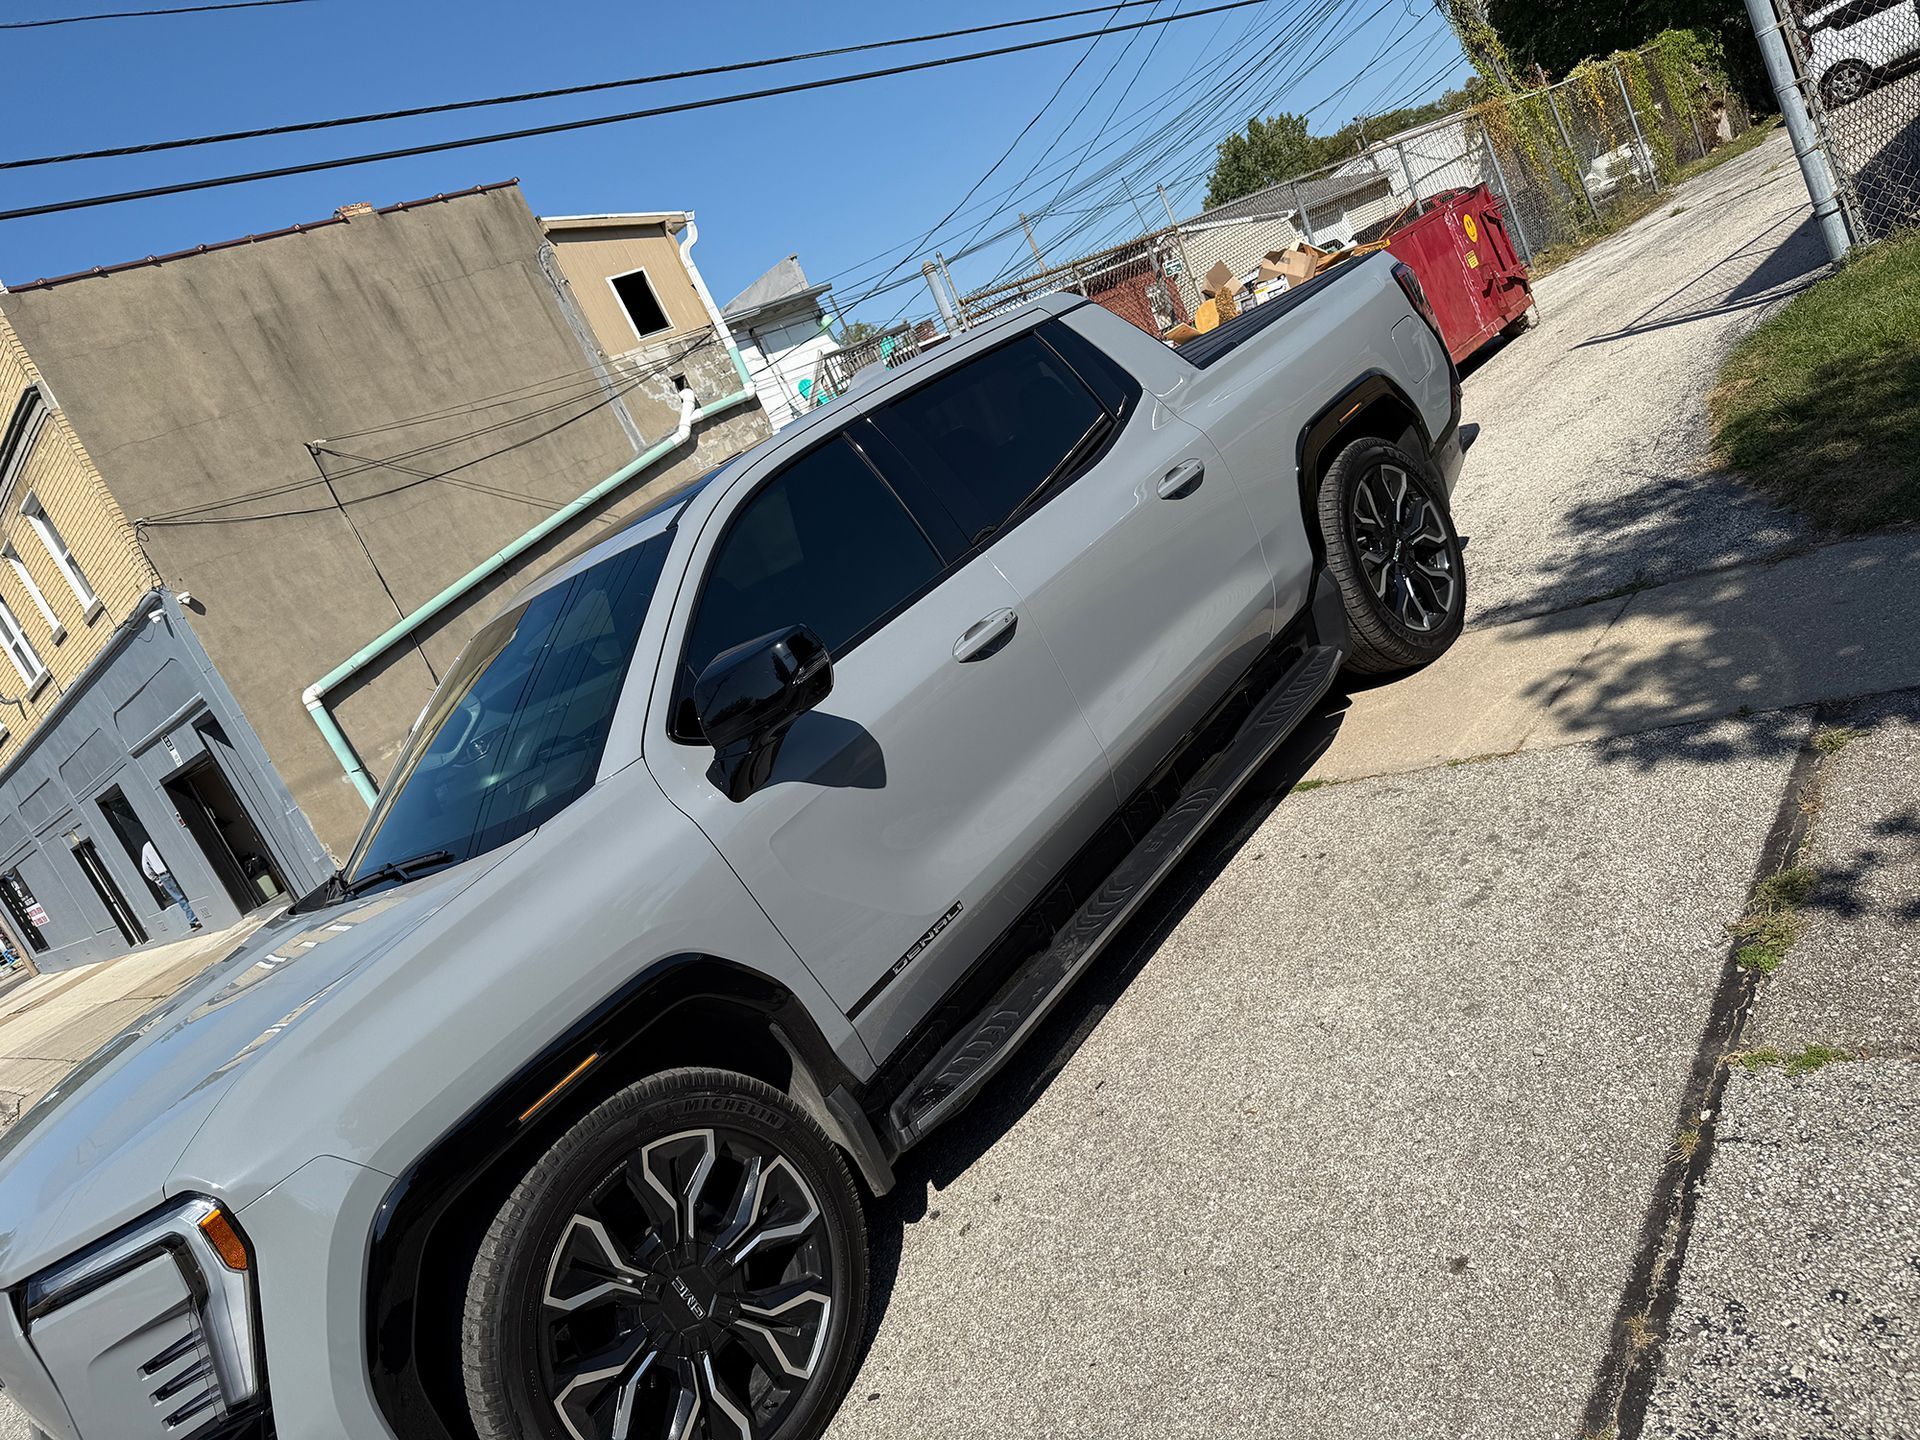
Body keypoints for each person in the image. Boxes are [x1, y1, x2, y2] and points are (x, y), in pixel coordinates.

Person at [140, 841, 201, 930]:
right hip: (176, 869)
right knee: (190, 891)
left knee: (180, 898)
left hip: (164, 875)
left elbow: (145, 867)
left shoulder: (146, 846)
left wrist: (156, 879)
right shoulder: (161, 840)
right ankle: (197, 916)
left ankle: (193, 920)